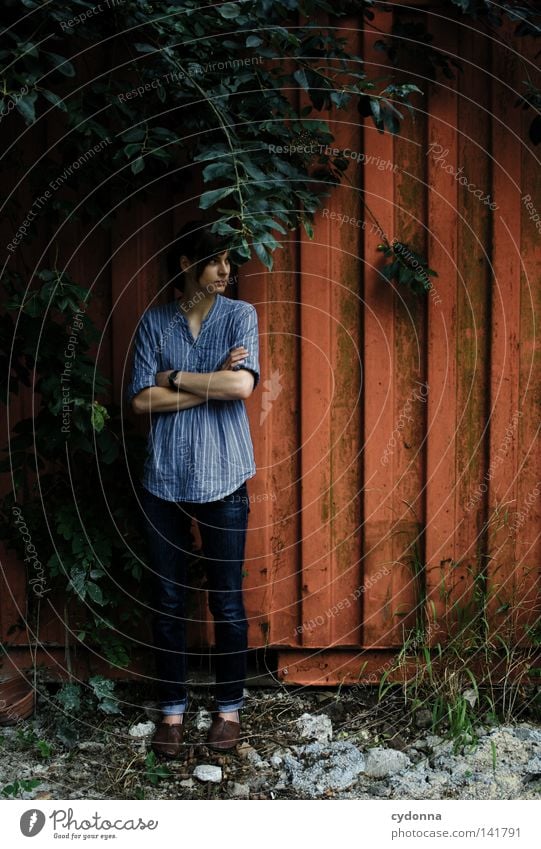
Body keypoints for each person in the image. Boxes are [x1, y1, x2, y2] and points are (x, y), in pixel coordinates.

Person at [125, 220, 260, 758]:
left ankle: (228, 711)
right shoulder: (155, 323)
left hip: (224, 476)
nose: (226, 271)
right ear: (186, 266)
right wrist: (212, 385)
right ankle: (172, 712)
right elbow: (139, 401)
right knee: (169, 600)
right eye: (213, 261)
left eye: (230, 261)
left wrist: (176, 378)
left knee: (226, 602)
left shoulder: (240, 317)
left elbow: (243, 385)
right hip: (164, 480)